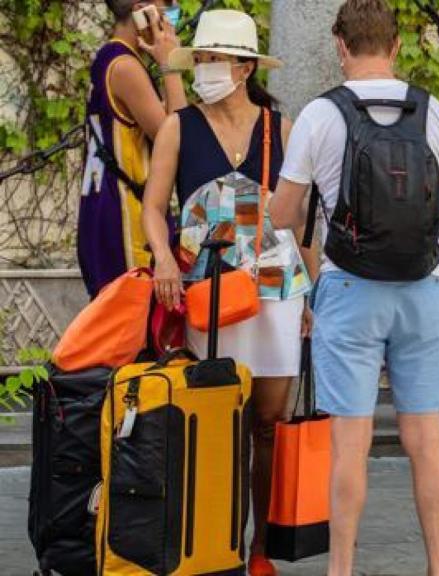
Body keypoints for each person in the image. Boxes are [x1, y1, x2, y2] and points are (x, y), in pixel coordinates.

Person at [268, 1, 439, 575]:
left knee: (350, 444)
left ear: (339, 45)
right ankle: (438, 568)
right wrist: (416, 219)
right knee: (426, 440)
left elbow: (285, 214)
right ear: (396, 46)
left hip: (350, 287)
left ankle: (341, 569)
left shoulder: (320, 115)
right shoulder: (431, 112)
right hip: (424, 286)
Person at [142, 10, 315, 576]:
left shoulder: (280, 129)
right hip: (208, 287)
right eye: (202, 59)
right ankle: (210, 545)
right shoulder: (178, 125)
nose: (206, 70)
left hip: (276, 288)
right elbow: (152, 205)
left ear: (243, 68)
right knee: (213, 419)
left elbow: (302, 221)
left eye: (216, 59)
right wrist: (164, 256)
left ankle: (259, 547)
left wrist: (314, 294)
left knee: (266, 422)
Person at [79, 0, 187, 298]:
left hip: (102, 208)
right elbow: (179, 134)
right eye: (168, 8)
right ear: (145, 10)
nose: (173, 16)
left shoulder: (109, 57)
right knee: (132, 330)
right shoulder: (125, 67)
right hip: (126, 217)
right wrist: (170, 63)